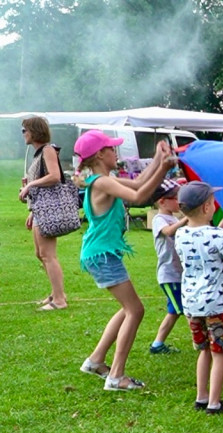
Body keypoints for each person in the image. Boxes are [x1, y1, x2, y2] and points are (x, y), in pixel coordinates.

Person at [74, 131, 176, 390]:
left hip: (101, 253)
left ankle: (96, 361)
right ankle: (116, 377)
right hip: (102, 255)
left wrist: (157, 161)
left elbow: (140, 181)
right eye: (112, 148)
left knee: (127, 308)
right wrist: (163, 168)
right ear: (99, 154)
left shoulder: (104, 179)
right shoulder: (101, 183)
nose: (115, 152)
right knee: (135, 310)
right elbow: (140, 197)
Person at [174, 182, 223, 414]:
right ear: (206, 208)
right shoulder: (219, 236)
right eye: (212, 202)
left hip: (191, 304)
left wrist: (219, 230)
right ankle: (214, 402)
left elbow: (200, 245)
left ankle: (201, 397)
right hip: (217, 304)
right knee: (219, 351)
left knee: (203, 350)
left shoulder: (180, 234)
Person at [18, 117, 69, 311]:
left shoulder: (48, 150)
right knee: (40, 254)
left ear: (34, 131)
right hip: (39, 209)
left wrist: (31, 184)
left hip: (48, 210)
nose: (23, 134)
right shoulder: (38, 154)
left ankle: (59, 300)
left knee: (48, 255)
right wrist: (32, 210)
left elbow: (55, 176)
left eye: (25, 130)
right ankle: (57, 294)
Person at [149, 179, 189, 354]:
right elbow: (168, 232)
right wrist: (187, 218)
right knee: (185, 309)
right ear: (162, 201)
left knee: (174, 311)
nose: (178, 201)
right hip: (169, 275)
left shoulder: (173, 217)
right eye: (175, 198)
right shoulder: (160, 219)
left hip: (179, 274)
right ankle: (202, 340)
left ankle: (157, 344)